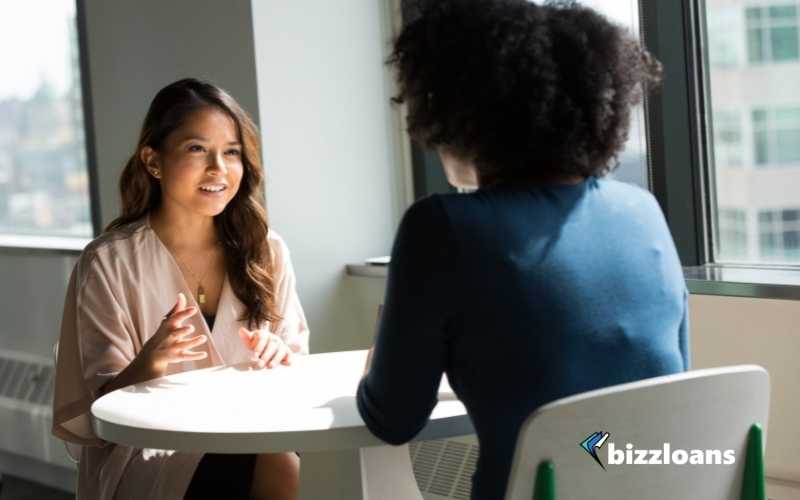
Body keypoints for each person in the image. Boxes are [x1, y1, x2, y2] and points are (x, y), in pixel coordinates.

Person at [356, 1, 688, 499]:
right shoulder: (643, 212)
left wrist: (378, 361)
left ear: (459, 113)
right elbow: (675, 382)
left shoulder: (442, 227)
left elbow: (393, 418)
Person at [52, 78, 309, 500]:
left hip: (253, 431)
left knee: (292, 456)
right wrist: (148, 364)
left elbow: (296, 365)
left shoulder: (267, 250)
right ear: (153, 161)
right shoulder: (107, 263)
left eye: (231, 152)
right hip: (148, 452)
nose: (218, 170)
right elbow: (94, 415)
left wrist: (280, 355)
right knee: (277, 461)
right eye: (196, 150)